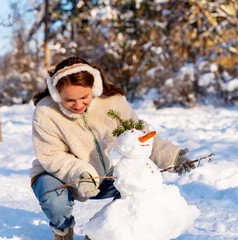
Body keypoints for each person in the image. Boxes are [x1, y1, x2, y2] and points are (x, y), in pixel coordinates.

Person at [30, 56, 195, 240]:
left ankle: (101, 230)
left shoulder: (112, 102)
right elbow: (52, 155)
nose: (78, 105)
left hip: (99, 175)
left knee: (136, 186)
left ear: (94, 88)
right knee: (54, 200)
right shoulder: (46, 112)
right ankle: (63, 228)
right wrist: (81, 174)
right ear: (56, 93)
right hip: (56, 175)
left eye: (84, 97)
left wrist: (171, 156)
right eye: (69, 100)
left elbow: (138, 136)